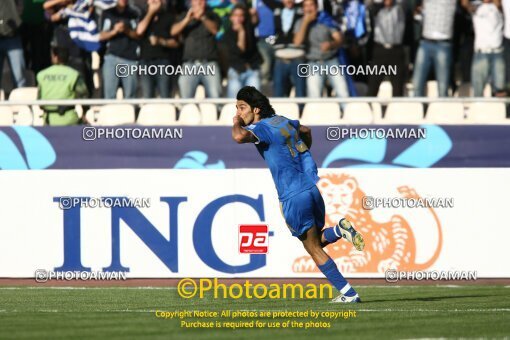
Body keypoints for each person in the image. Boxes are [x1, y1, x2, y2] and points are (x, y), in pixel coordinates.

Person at [231, 86, 365, 303]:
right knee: (314, 241)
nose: (239, 112)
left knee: (312, 248)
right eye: (236, 108)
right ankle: (340, 230)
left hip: (292, 194)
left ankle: (349, 294)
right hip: (311, 189)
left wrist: (236, 121)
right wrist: (302, 152)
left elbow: (238, 137)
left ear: (256, 110)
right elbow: (306, 131)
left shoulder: (262, 127)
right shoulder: (282, 121)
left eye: (242, 107)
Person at [293, 0, 349, 99]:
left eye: (311, 5)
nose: (309, 8)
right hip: (313, 63)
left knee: (342, 92)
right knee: (314, 95)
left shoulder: (325, 19)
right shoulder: (299, 22)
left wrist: (331, 44)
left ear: (317, 7)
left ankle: (347, 112)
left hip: (331, 60)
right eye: (306, 6)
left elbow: (339, 39)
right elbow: (297, 42)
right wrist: (306, 22)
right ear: (303, 9)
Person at [171, 0, 222, 98]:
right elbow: (173, 31)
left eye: (202, 1)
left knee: (215, 96)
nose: (199, 3)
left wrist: (203, 17)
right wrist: (187, 19)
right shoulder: (184, 15)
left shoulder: (212, 15)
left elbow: (215, 30)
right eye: (197, 1)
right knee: (185, 98)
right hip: (190, 64)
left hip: (209, 64)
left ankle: (216, 112)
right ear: (191, 3)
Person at [411, 0, 456, 97]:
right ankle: (418, 110)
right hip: (425, 42)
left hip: (443, 43)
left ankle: (442, 111)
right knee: (417, 83)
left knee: (443, 86)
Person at [262, 0, 306, 98]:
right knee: (278, 91)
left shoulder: (302, 7)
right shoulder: (277, 7)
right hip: (280, 56)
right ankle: (277, 113)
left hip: (298, 56)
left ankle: (301, 111)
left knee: (300, 91)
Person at [136, 0, 180, 98]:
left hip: (163, 61)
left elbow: (176, 43)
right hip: (145, 61)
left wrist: (161, 41)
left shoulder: (169, 17)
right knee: (147, 95)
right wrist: (151, 13)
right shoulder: (142, 16)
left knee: (165, 94)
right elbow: (139, 31)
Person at [37, 46, 88, 126]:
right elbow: (84, 96)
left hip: (48, 121)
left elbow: (39, 100)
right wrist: (84, 114)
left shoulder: (42, 75)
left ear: (55, 57)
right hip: (70, 121)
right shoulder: (74, 74)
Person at [462, 0, 505, 97]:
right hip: (481, 53)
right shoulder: (476, 6)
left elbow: (500, 4)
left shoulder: (498, 6)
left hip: (497, 53)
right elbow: (464, 3)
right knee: (478, 90)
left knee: (500, 91)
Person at [99, 0, 141, 99]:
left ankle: (130, 114)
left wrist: (126, 30)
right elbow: (101, 36)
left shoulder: (135, 13)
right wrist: (114, 31)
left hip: (130, 58)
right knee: (109, 95)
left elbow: (139, 35)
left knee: (130, 95)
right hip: (111, 57)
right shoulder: (108, 13)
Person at [368, 0, 406, 97]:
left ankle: (396, 110)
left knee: (397, 89)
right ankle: (368, 110)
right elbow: (368, 4)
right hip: (380, 50)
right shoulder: (376, 10)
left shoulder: (399, 8)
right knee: (373, 87)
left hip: (396, 51)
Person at [223, 4, 262, 97]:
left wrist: (254, 13)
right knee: (234, 102)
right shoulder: (228, 34)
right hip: (236, 71)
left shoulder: (249, 26)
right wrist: (241, 32)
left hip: (252, 69)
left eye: (241, 15)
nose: (239, 18)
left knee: (255, 103)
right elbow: (241, 50)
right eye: (236, 15)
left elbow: (256, 21)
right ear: (231, 18)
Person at [0, 0, 27, 89]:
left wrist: (16, 18)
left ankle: (20, 102)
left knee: (19, 77)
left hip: (13, 38)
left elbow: (20, 5)